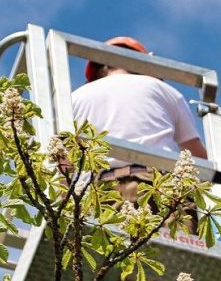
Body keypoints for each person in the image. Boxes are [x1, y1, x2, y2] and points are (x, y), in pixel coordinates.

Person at [70, 36, 208, 207]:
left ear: (100, 68)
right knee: (176, 233)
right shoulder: (163, 89)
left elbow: (63, 160)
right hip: (161, 186)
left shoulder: (76, 97)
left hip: (97, 193)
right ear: (143, 63)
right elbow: (197, 158)